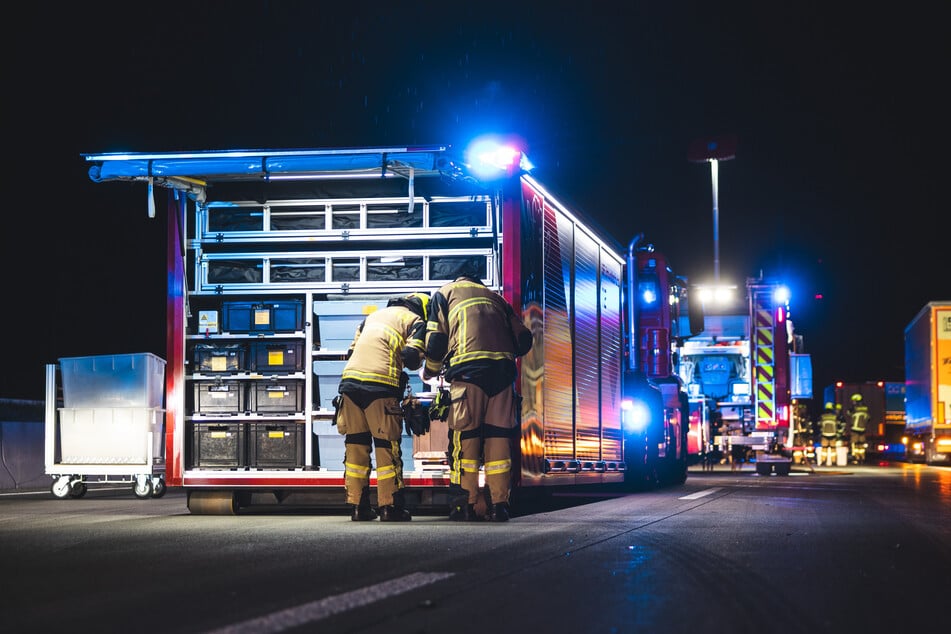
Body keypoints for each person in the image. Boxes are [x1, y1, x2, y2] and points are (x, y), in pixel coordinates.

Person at [423, 273, 533, 522]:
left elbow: (436, 341)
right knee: (499, 440)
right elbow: (524, 340)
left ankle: (465, 506)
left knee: (466, 438)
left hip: (467, 373)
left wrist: (430, 371)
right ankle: (499, 506)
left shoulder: (445, 293)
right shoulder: (498, 299)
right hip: (503, 376)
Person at [334, 292, 430, 522]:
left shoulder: (370, 318)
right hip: (381, 386)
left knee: (356, 446)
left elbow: (351, 352)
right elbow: (411, 356)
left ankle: (358, 507)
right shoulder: (415, 321)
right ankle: (390, 507)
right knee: (386, 446)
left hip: (349, 385)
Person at [848, 393, 869, 464]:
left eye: (853, 401)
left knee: (855, 444)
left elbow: (849, 413)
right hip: (863, 429)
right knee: (861, 444)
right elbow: (868, 418)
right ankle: (862, 458)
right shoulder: (865, 408)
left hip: (855, 429)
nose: (852, 402)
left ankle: (856, 458)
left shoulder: (854, 409)